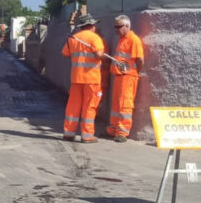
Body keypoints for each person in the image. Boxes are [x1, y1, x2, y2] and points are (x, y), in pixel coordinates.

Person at [61, 13, 104, 143]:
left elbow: (65, 54)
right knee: (89, 107)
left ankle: (69, 133)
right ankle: (87, 135)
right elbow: (98, 55)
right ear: (91, 25)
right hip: (91, 79)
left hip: (76, 78)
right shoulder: (95, 38)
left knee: (73, 106)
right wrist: (103, 57)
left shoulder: (73, 38)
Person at [107, 15, 144, 142]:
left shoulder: (133, 40)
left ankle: (122, 132)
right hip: (119, 76)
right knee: (117, 104)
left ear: (127, 26)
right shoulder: (122, 39)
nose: (116, 29)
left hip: (128, 77)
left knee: (125, 104)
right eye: (115, 26)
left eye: (118, 26)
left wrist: (133, 72)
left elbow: (140, 60)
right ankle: (114, 129)